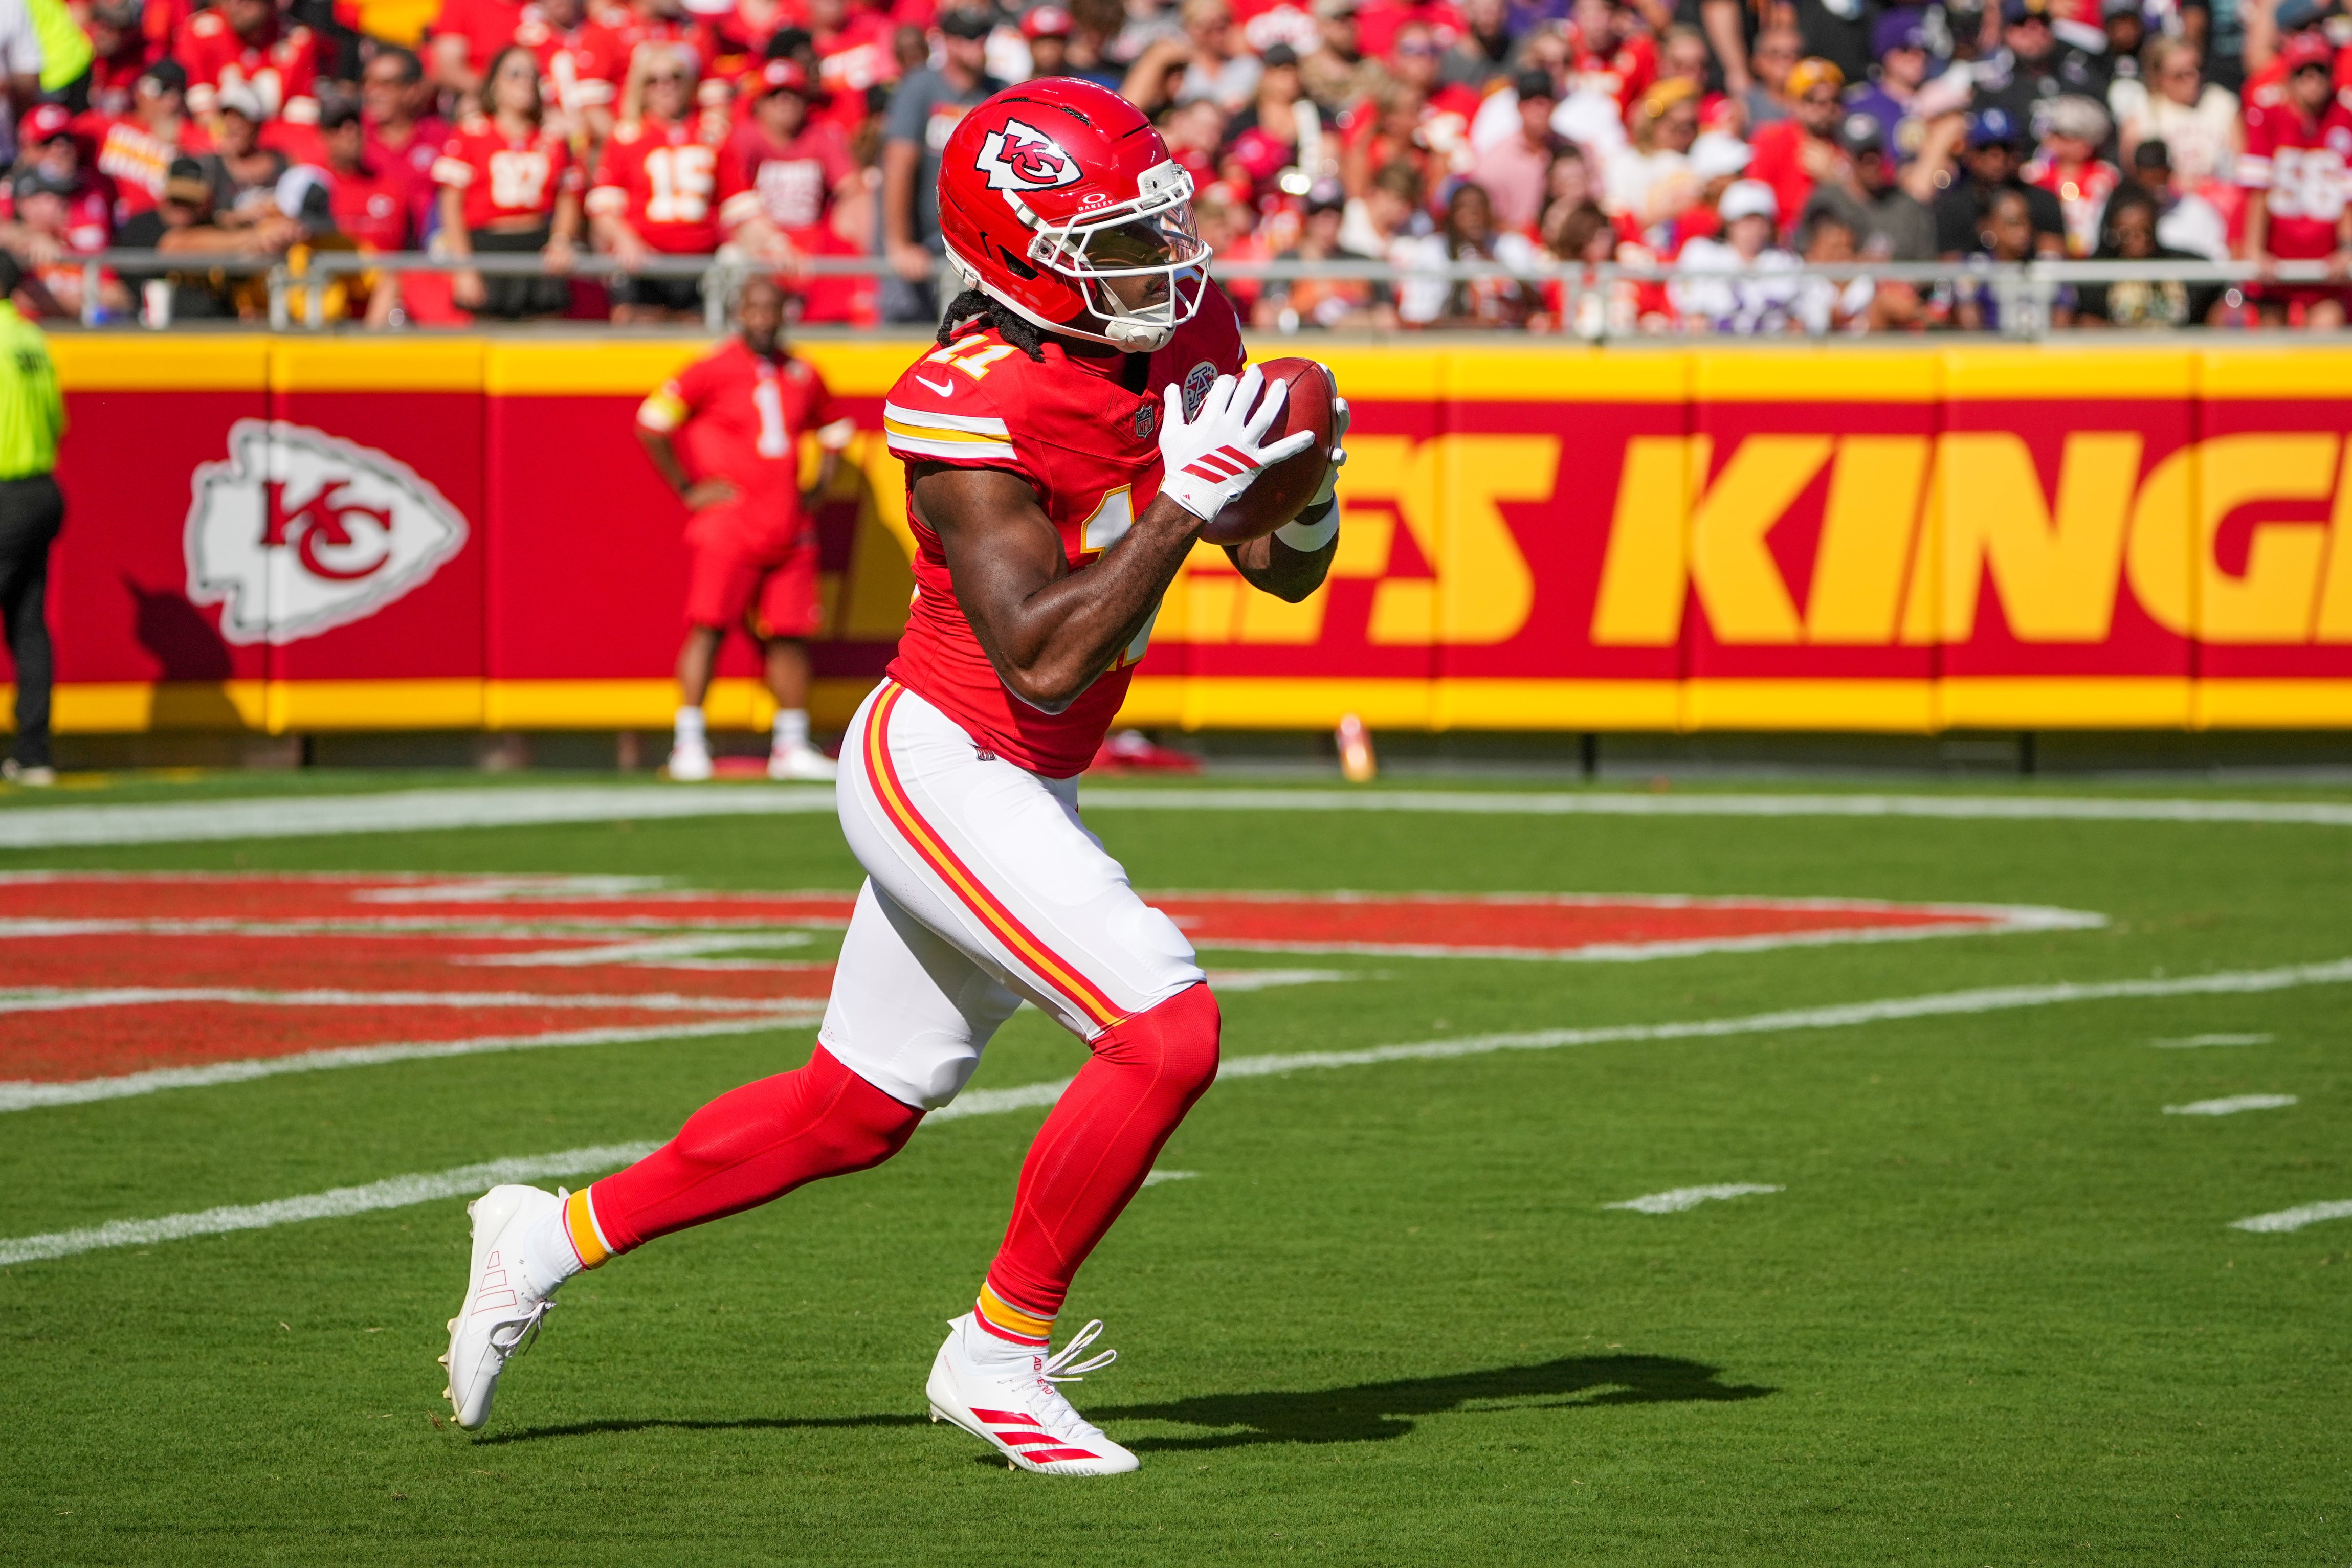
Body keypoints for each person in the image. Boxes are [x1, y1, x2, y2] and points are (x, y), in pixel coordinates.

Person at [443, 78, 1348, 1479]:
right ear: (1012, 256)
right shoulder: (961, 405)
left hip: (1020, 773)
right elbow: (1042, 660)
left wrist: (1298, 493)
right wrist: (1182, 504)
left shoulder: (1184, 328)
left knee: (850, 1110)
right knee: (1163, 1026)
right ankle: (997, 1352)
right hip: (946, 749)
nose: (1154, 271)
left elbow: (1287, 579)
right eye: (1107, 244)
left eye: (1150, 230)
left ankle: (541, 1236)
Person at [635, 276, 852, 783]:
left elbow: (836, 430)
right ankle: (688, 741)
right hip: (731, 524)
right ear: (738, 313)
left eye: (771, 309)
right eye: (753, 309)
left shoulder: (801, 371)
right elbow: (651, 422)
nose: (762, 319)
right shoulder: (712, 367)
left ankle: (791, 743)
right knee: (708, 627)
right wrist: (689, 489)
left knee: (790, 636)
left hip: (788, 525)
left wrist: (818, 489)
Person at [587, 45, 746, 323]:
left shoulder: (711, 134)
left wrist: (776, 243)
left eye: (674, 77)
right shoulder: (626, 136)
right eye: (654, 80)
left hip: (699, 263)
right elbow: (603, 210)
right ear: (641, 88)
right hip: (645, 265)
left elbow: (740, 205)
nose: (666, 87)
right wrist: (625, 239)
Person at [433, 43, 582, 319]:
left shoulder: (552, 138)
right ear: (494, 84)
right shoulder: (472, 133)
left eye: (531, 75)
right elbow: (451, 205)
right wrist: (464, 266)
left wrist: (561, 240)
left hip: (538, 246)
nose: (525, 82)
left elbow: (568, 196)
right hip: (487, 247)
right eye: (515, 74)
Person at [878, 6, 999, 323]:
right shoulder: (919, 87)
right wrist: (900, 243)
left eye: (981, 36)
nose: (975, 44)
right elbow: (898, 164)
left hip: (973, 247)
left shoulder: (997, 91)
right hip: (922, 241)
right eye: (965, 36)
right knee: (909, 332)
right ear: (945, 40)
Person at [2237, 30, 2352, 327]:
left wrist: (2347, 249)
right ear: (2289, 77)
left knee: (2326, 339)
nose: (2312, 79)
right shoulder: (2267, 113)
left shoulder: (2345, 116)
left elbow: (2348, 194)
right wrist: (2255, 250)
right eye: (2303, 71)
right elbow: (2258, 189)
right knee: (2270, 350)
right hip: (2278, 253)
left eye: (2320, 70)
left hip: (2324, 261)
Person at [0, 252, 62, 786]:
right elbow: (57, 421)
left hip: (3, 491)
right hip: (41, 488)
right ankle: (34, 752)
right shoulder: (31, 338)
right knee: (28, 624)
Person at [2074, 183, 2223, 326]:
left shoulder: (2186, 266)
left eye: (2146, 232)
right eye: (2127, 234)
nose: (2139, 241)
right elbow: (2087, 323)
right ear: (2113, 232)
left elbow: (2216, 300)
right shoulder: (2096, 276)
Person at [1673, 176, 1804, 331]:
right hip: (1717, 349)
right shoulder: (1702, 254)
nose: (1754, 230)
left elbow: (1798, 324)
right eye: (1746, 221)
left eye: (1761, 221)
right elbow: (1694, 320)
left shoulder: (1786, 262)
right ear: (1729, 224)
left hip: (1771, 351)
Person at [1933, 105, 2065, 255]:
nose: (1998, 159)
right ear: (1970, 154)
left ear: (2019, 152)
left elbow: (2054, 267)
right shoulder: (1953, 209)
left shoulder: (2043, 203)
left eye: (2006, 148)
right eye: (1985, 149)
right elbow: (1947, 271)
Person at [1747, 57, 1846, 233]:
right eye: (1812, 99)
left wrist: (1835, 181)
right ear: (1792, 103)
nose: (1826, 107)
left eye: (1834, 99)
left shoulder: (1852, 143)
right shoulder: (1771, 142)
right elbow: (1755, 205)